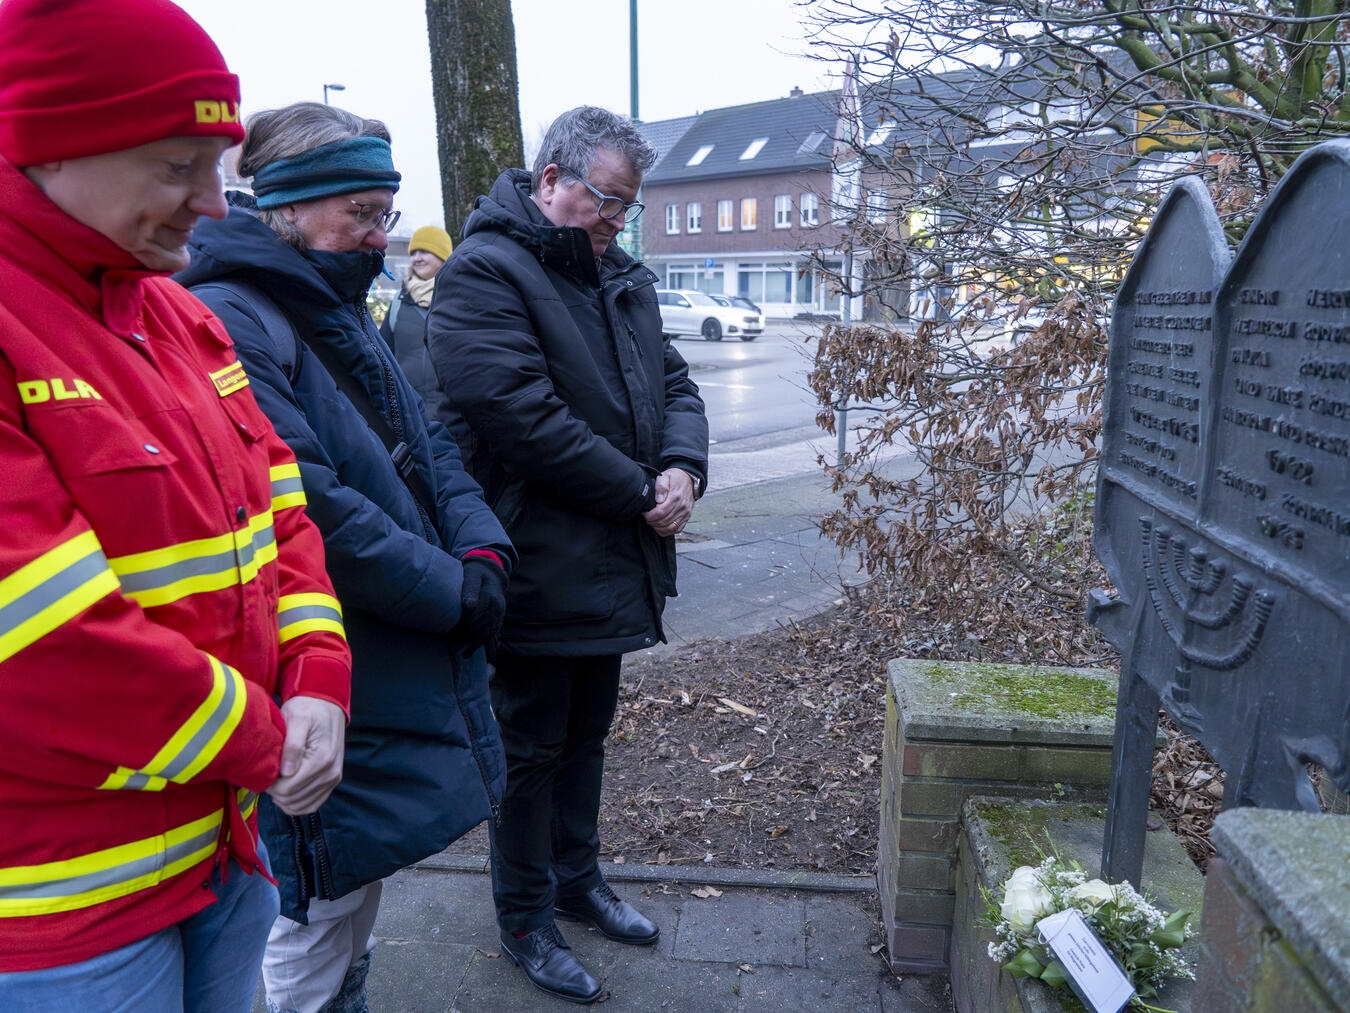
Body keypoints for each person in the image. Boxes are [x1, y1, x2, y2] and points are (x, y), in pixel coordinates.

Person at [0, 2, 353, 1011]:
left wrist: (319, 674)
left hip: (220, 851)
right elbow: (42, 637)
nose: (212, 203)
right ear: (47, 147)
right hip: (64, 908)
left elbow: (281, 513)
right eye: (173, 167)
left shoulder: (181, 318)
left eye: (216, 165)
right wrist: (270, 740)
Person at [176, 101, 515, 1013]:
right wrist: (452, 591)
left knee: (351, 877)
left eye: (384, 213)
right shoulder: (234, 316)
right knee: (315, 893)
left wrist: (481, 546)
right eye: (360, 213)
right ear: (287, 205)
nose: (379, 236)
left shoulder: (329, 299)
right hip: (325, 655)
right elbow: (312, 505)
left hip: (383, 647)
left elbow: (425, 441)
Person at [425, 105, 709, 1004]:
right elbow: (522, 417)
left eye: (628, 205)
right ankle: (525, 916)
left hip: (610, 560)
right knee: (530, 748)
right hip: (537, 558)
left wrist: (683, 467)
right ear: (551, 179)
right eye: (606, 199)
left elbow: (674, 382)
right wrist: (639, 489)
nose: (618, 219)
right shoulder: (484, 272)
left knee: (586, 736)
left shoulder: (618, 274)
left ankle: (577, 881)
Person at [380, 224, 451, 404]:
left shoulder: (460, 299)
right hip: (409, 409)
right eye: (413, 253)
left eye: (424, 251)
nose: (417, 258)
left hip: (453, 413)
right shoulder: (399, 301)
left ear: (443, 255)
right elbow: (383, 356)